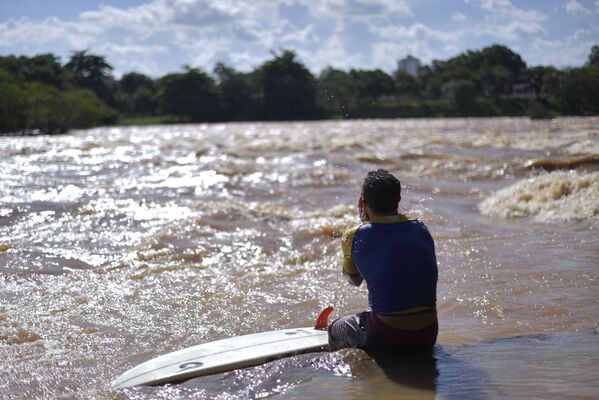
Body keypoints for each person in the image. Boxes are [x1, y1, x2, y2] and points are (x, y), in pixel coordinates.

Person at [328, 169, 438, 353]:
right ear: (398, 200)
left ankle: (352, 376)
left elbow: (354, 280)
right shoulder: (421, 228)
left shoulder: (355, 235)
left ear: (363, 201)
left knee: (335, 329)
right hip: (428, 334)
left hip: (387, 334)